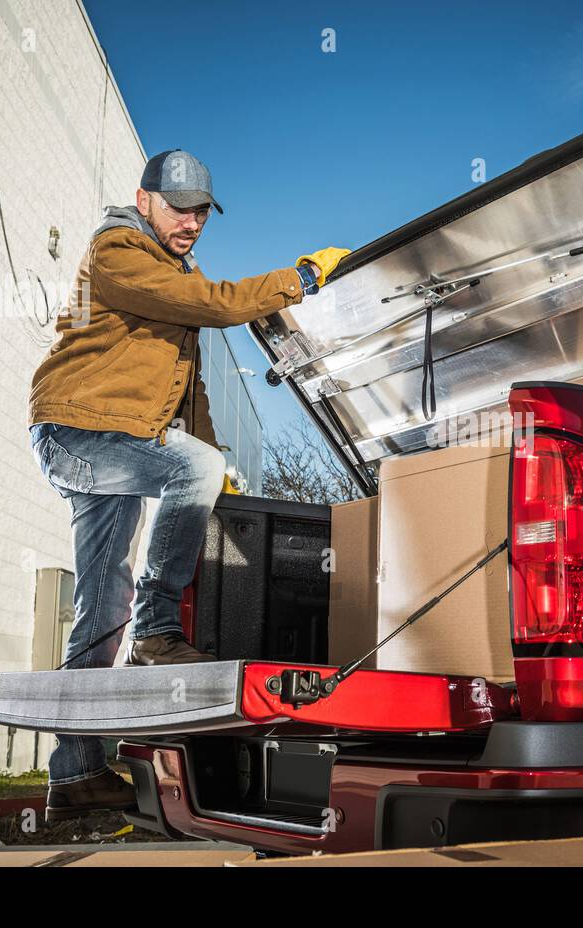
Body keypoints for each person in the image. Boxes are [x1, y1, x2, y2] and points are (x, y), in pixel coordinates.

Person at [26, 148, 348, 819]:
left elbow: (185, 385)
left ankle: (76, 773)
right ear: (145, 200)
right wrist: (300, 279)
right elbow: (208, 303)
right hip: (77, 431)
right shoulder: (118, 252)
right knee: (189, 470)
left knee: (98, 607)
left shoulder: (169, 270)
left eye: (201, 211)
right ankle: (157, 628)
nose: (192, 222)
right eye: (179, 207)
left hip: (111, 436)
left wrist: (214, 458)